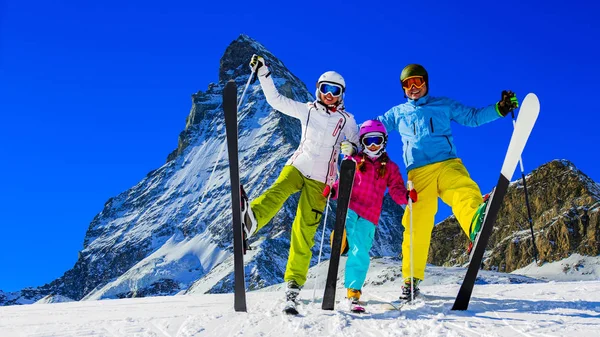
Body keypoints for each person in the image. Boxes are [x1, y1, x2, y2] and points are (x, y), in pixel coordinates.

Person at [377, 64, 519, 300]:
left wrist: (499, 109)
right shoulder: (397, 113)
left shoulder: (443, 104)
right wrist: (351, 138)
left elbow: (472, 117)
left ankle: (475, 220)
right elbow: (375, 128)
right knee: (416, 222)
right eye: (407, 84)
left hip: (447, 163)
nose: (413, 88)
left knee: (461, 187)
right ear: (403, 88)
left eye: (418, 82)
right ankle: (411, 280)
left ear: (426, 83)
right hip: (419, 173)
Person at [242, 54, 360, 312]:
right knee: (279, 190)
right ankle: (251, 220)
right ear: (318, 90)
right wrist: (263, 73)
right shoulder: (307, 110)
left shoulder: (346, 120)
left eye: (335, 91)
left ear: (341, 94)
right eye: (325, 89)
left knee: (304, 230)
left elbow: (357, 146)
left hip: (322, 180)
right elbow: (276, 100)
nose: (329, 95)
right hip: (299, 165)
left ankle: (293, 285)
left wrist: (351, 149)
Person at [324, 120, 417, 312]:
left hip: (369, 216)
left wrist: (406, 197)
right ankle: (340, 239)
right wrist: (333, 191)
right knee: (343, 237)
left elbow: (396, 189)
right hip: (349, 208)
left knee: (360, 252)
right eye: (368, 141)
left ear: (384, 141)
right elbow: (343, 182)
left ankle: (353, 293)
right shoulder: (355, 160)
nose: (373, 145)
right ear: (362, 142)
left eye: (377, 140)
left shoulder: (390, 167)